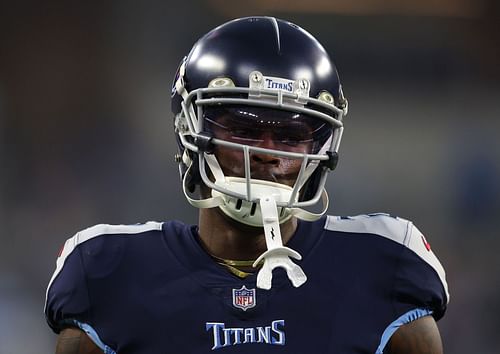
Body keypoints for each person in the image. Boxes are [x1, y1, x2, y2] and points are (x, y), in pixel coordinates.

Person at [45, 16, 449, 354]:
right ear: (191, 132)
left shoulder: (386, 264)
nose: (268, 153)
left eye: (291, 136)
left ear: (322, 146)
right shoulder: (106, 272)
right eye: (242, 130)